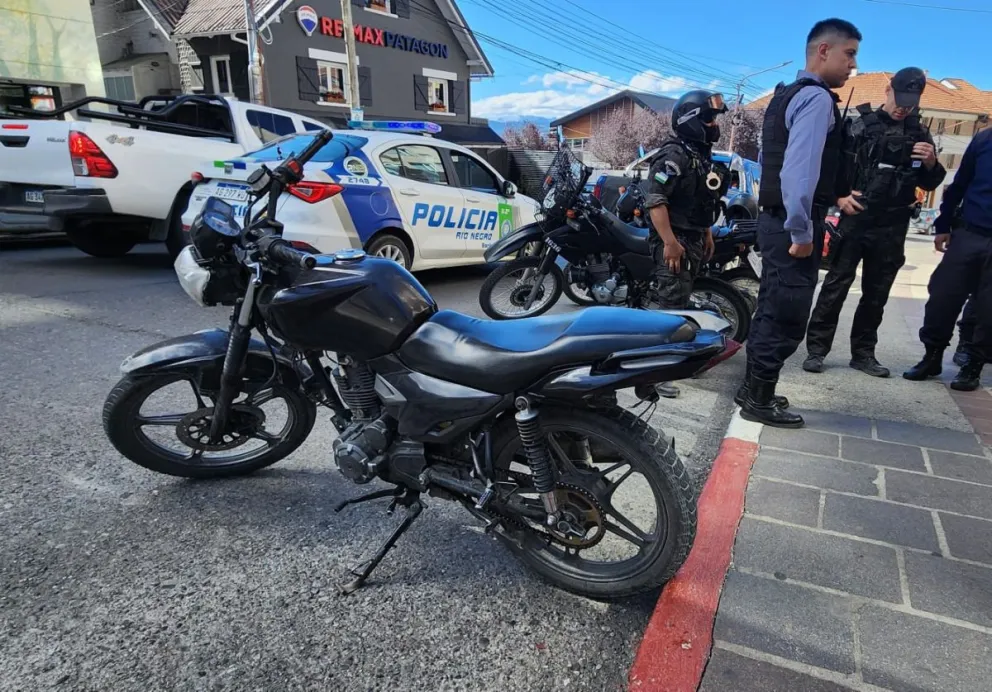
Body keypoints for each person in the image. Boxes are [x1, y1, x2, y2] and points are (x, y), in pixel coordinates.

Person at [735, 18, 861, 428]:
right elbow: (798, 173)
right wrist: (803, 232)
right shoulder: (817, 98)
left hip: (774, 221)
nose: (853, 66)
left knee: (771, 307)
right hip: (793, 225)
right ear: (823, 50)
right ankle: (759, 398)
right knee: (787, 313)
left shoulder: (785, 94)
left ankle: (753, 388)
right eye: (849, 55)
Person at [803, 68, 946, 377]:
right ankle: (816, 349)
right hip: (855, 220)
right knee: (835, 286)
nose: (902, 107)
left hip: (892, 225)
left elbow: (932, 182)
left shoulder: (920, 133)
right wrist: (839, 198)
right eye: (899, 98)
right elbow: (831, 168)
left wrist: (932, 163)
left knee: (877, 293)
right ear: (887, 90)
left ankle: (863, 354)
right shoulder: (858, 126)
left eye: (910, 102)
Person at [643, 89, 728, 398]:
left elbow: (700, 199)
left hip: (691, 238)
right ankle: (651, 375)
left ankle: (669, 364)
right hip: (674, 240)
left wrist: (705, 232)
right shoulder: (674, 155)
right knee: (668, 309)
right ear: (691, 120)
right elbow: (656, 201)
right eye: (708, 119)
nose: (713, 125)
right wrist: (669, 242)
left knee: (679, 304)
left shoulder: (698, 154)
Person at [904, 124, 992, 390]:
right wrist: (943, 225)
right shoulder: (984, 139)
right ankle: (932, 356)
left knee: (989, 309)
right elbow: (960, 184)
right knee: (942, 296)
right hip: (969, 232)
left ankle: (973, 365)